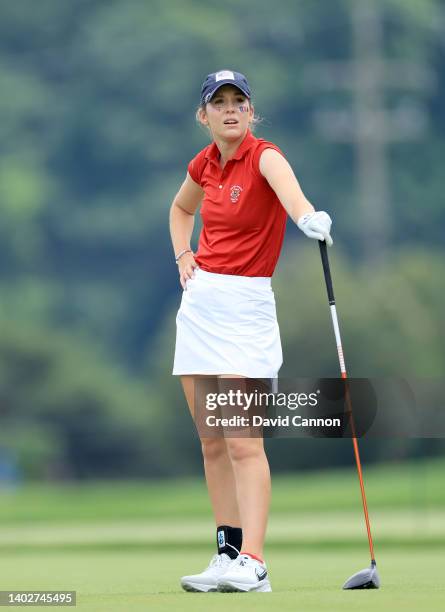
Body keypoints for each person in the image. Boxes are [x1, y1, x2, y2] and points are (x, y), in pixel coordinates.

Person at [169, 70, 333, 593]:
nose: (230, 109)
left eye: (239, 100)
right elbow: (180, 209)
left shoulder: (265, 155)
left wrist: (310, 219)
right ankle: (227, 553)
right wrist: (183, 253)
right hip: (201, 306)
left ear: (251, 110)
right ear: (204, 116)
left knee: (243, 440)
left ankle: (255, 563)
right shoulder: (204, 163)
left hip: (246, 307)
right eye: (219, 103)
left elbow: (293, 198)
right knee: (212, 441)